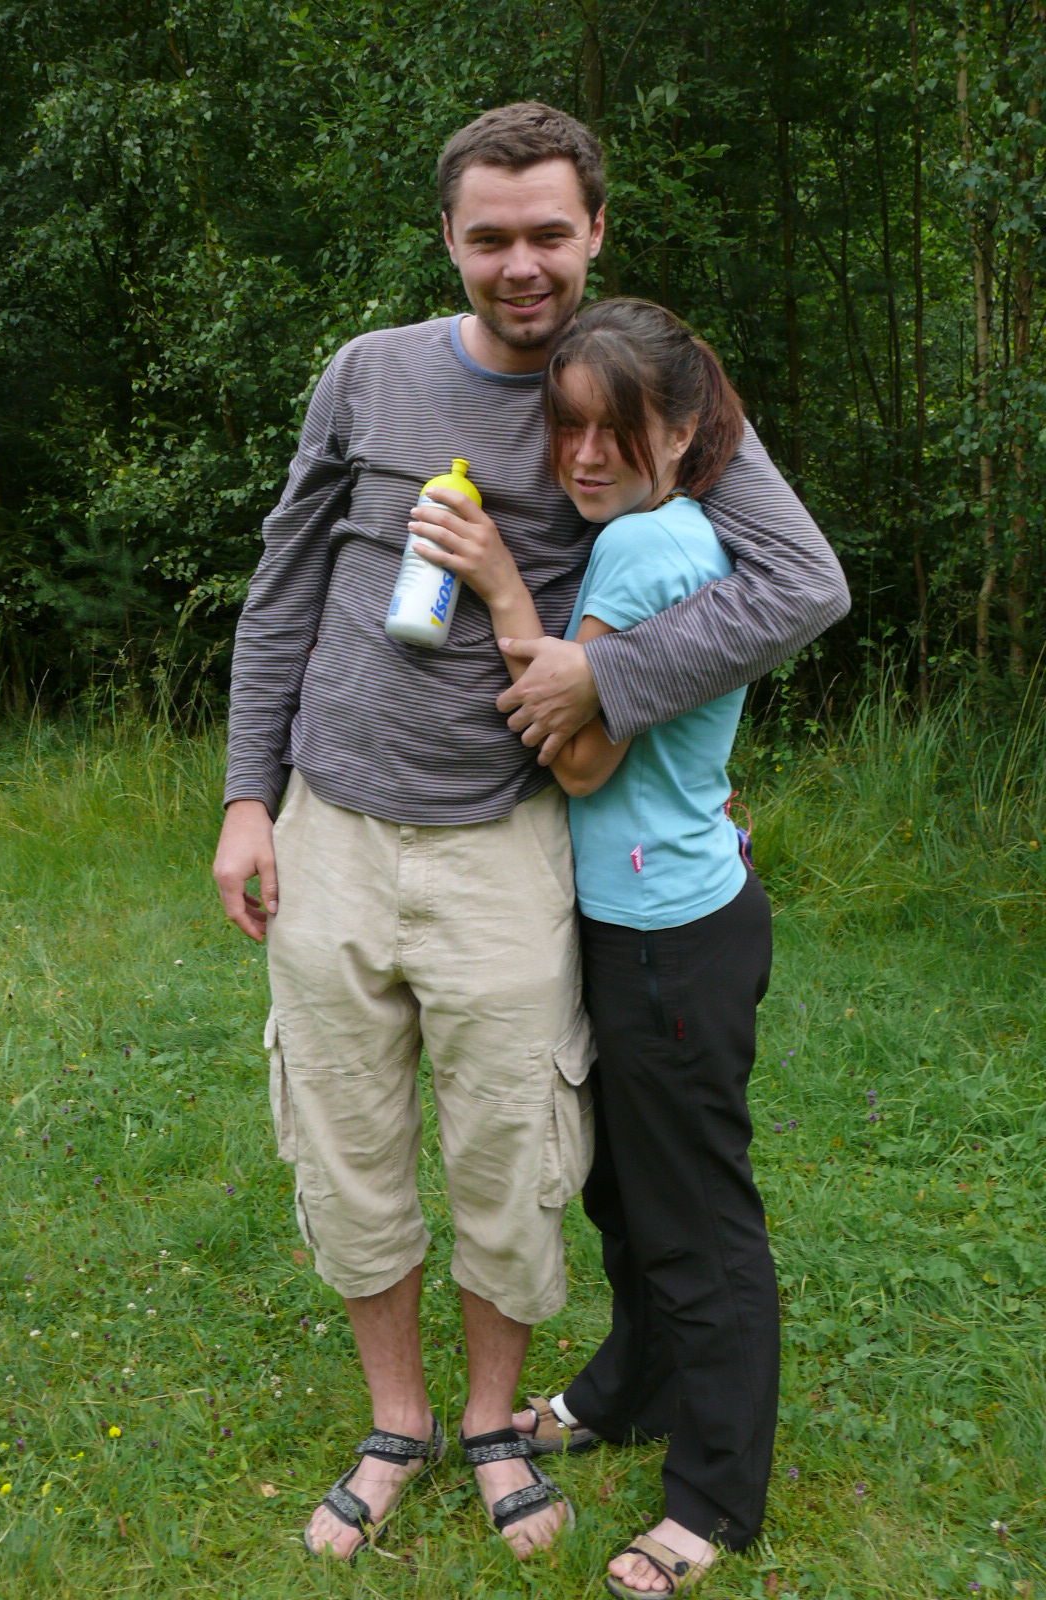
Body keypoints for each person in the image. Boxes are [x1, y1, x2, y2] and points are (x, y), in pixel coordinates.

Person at [212, 102, 848, 1565]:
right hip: (331, 825)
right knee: (350, 1141)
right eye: (489, 236)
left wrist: (609, 678)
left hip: (509, 838)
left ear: (596, 231)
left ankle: (496, 1423)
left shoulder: (643, 392)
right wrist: (248, 794)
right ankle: (398, 1422)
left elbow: (803, 585)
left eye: (550, 232)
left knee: (514, 1145)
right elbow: (283, 588)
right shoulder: (368, 374)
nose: (521, 263)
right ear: (448, 237)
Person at [410, 296, 778, 1594]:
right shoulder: (679, 530)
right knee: (627, 1190)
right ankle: (635, 1386)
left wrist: (503, 586)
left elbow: (577, 763)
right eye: (565, 427)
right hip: (654, 916)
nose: (580, 457)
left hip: (668, 932)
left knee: (694, 1220)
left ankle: (716, 1495)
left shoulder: (637, 549)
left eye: (612, 431)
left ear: (680, 431)